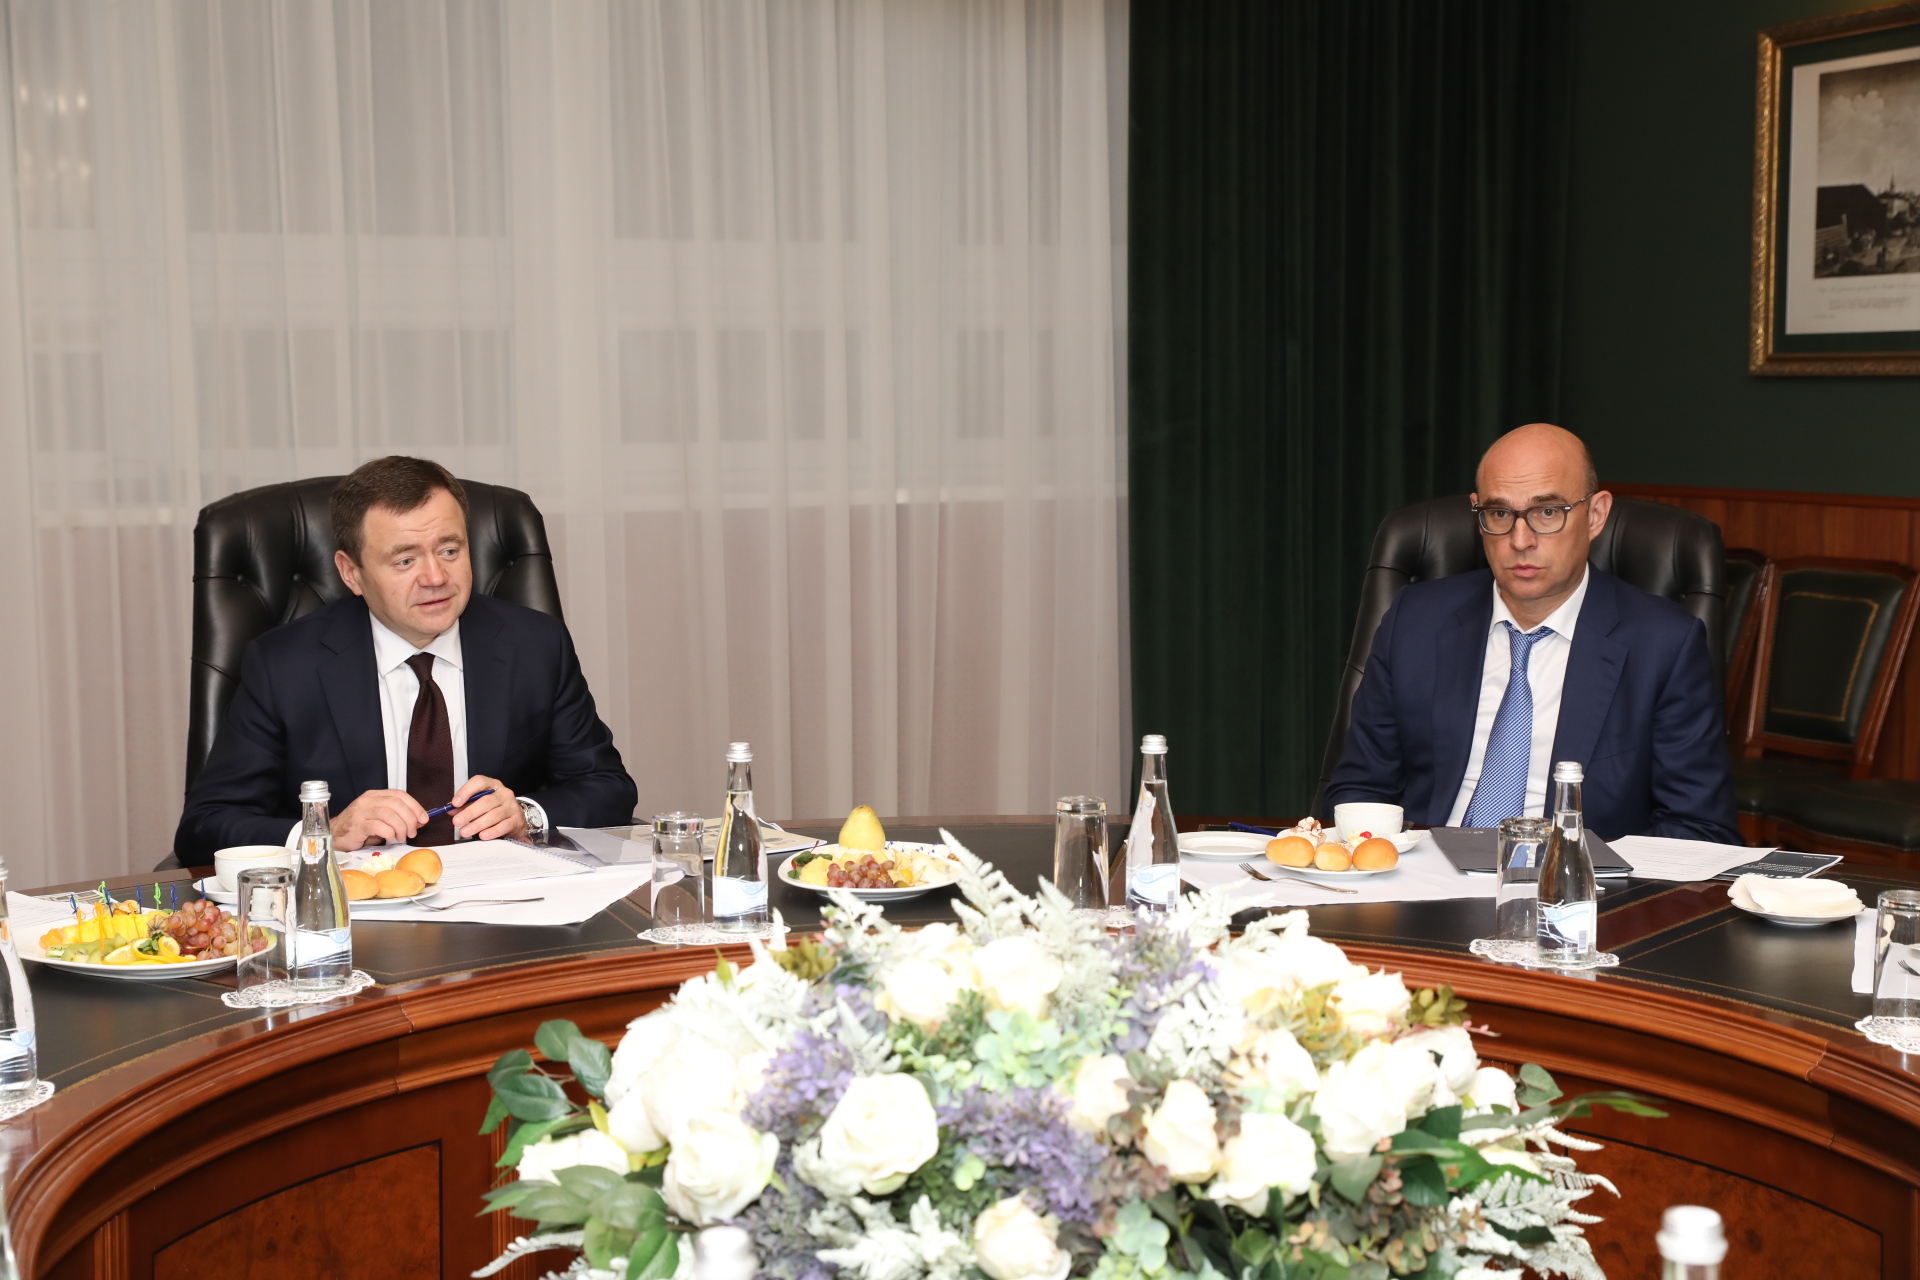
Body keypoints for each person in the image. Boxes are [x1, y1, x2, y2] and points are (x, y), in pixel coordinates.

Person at [175, 456, 638, 859]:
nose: (436, 577)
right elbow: (205, 825)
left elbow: (608, 788)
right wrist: (326, 832)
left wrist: (526, 814)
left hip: (506, 902)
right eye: (405, 560)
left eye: (450, 550)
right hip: (361, 911)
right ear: (351, 573)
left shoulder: (535, 645)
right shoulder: (285, 665)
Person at [1327, 423, 1739, 843]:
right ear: (1478, 514)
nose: (1520, 540)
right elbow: (1360, 789)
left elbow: (1698, 829)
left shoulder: (1664, 644)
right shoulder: (1416, 620)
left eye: (1547, 512)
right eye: (1499, 514)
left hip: (1579, 877)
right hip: (1425, 867)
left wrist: (1577, 874)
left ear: (1595, 515)